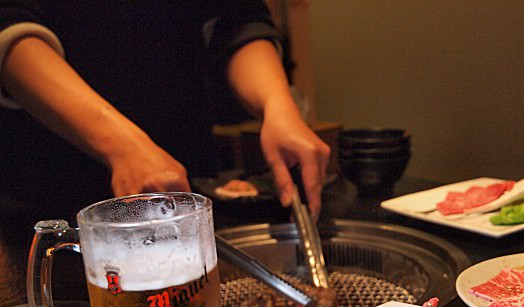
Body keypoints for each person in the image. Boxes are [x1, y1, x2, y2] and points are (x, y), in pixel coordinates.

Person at [0, 1, 329, 219]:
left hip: (181, 181)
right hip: (50, 193)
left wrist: (278, 106)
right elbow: (11, 24)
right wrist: (122, 146)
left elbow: (235, 18)